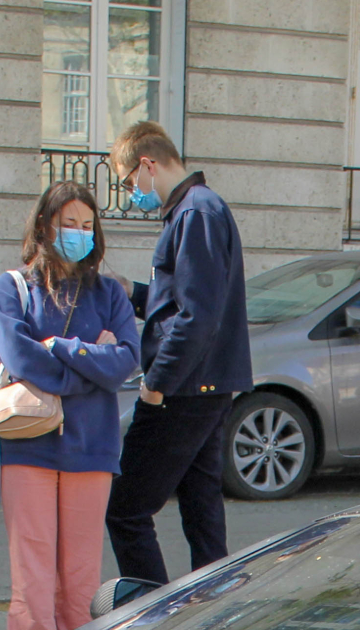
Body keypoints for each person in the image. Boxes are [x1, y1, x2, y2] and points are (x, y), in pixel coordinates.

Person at [0, 180, 140, 630]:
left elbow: (127, 360)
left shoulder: (110, 293)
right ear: (44, 226)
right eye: (69, 223)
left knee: (79, 587)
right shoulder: (12, 288)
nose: (78, 233)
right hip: (28, 443)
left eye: (87, 225)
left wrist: (62, 349)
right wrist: (90, 367)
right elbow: (19, 357)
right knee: (32, 586)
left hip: (91, 449)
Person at [104, 122, 251, 589]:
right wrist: (132, 292)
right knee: (200, 507)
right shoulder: (197, 210)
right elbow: (185, 303)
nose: (133, 194)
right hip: (204, 383)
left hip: (184, 386)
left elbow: (196, 316)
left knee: (125, 508)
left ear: (147, 164)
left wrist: (156, 383)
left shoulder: (194, 213)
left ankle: (152, 616)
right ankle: (212, 610)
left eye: (130, 183)